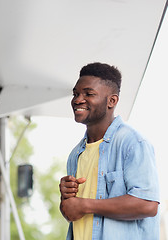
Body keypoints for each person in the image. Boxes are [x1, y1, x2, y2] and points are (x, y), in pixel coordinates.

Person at [59, 62, 160, 240]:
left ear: (111, 101)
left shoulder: (132, 143)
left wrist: (84, 205)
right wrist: (66, 202)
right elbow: (73, 214)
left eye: (88, 94)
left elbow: (148, 205)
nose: (77, 100)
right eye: (76, 94)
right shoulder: (75, 155)